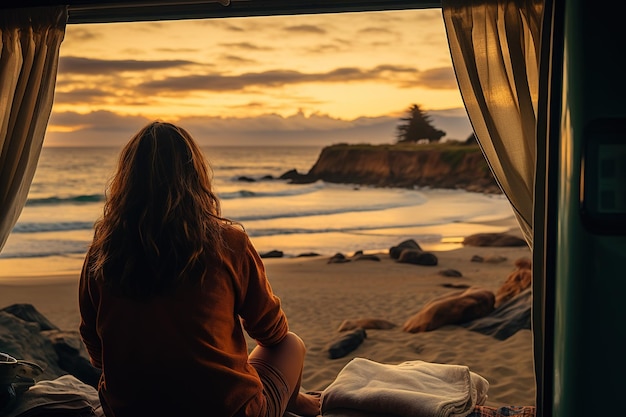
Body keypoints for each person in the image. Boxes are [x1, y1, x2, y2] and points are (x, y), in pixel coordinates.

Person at [78, 121, 321, 417]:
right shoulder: (228, 242)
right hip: (227, 411)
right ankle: (295, 404)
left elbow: (95, 348)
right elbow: (271, 331)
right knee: (291, 344)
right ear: (195, 176)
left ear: (126, 181)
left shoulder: (102, 253)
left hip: (129, 410)